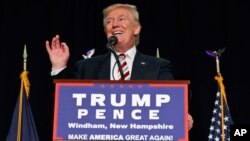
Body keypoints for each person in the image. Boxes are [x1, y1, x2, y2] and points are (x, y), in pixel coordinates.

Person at [45, 3, 193, 130]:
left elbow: (174, 96)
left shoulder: (158, 66)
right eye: (109, 22)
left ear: (136, 29)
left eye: (121, 19)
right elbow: (65, 103)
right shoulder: (86, 67)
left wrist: (181, 113)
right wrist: (59, 67)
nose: (114, 24)